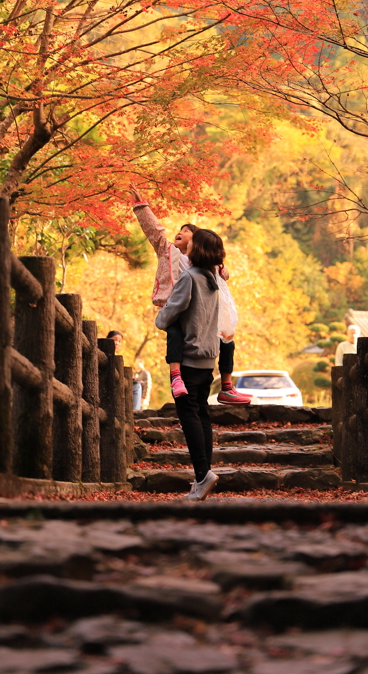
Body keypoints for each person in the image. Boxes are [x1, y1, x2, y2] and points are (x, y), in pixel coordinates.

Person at [129, 183, 250, 405]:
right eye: (180, 230)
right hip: (179, 307)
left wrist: (223, 269)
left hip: (204, 311)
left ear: (196, 242)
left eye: (187, 232)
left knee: (227, 341)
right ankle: (176, 377)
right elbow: (155, 232)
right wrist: (141, 206)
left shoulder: (206, 263)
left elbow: (224, 273)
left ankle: (226, 386)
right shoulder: (170, 253)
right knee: (174, 334)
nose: (181, 232)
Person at [155, 228, 226, 500]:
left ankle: (202, 474)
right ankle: (202, 477)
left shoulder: (190, 278)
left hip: (188, 357)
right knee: (201, 414)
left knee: (189, 416)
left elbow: (171, 312)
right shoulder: (212, 279)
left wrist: (160, 319)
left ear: (198, 250)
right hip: (208, 358)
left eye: (192, 241)